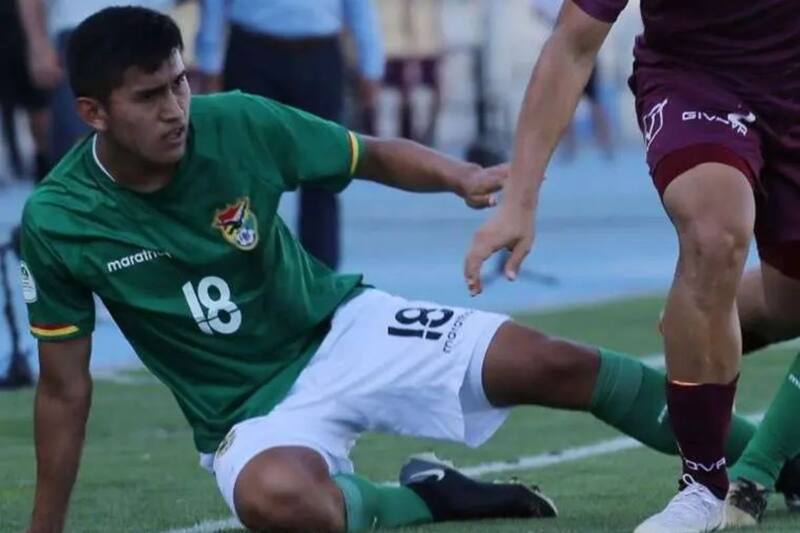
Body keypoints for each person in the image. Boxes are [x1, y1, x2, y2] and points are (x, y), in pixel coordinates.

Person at [18, 7, 793, 533]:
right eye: (150, 96)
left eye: (181, 83)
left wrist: (460, 177)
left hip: (344, 328)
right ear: (92, 113)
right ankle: (422, 496)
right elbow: (63, 387)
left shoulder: (237, 122)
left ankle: (771, 455)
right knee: (280, 502)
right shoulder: (58, 222)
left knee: (555, 360)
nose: (176, 108)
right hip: (245, 415)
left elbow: (368, 154)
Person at [464, 0, 800, 531]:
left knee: (788, 302)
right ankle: (705, 485)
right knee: (714, 232)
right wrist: (520, 197)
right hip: (697, 81)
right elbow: (574, 43)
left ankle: (696, 325)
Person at [195, 0, 385, 270]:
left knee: (324, 171)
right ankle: (247, 269)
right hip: (253, 54)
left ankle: (321, 275)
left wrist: (371, 63)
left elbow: (359, 5)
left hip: (319, 56)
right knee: (245, 174)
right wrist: (210, 60)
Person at [15, 0, 176, 162]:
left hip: (155, 28)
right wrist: (38, 45)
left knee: (157, 143)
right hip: (80, 27)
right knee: (81, 150)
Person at [375, 0, 444, 145]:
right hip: (391, 45)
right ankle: (391, 146)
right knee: (394, 99)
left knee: (425, 96)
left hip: (423, 45)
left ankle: (421, 142)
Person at [0, 0, 51, 181]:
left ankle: (41, 161)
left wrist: (38, 47)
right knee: (9, 110)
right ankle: (16, 160)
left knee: (37, 107)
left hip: (22, 45)